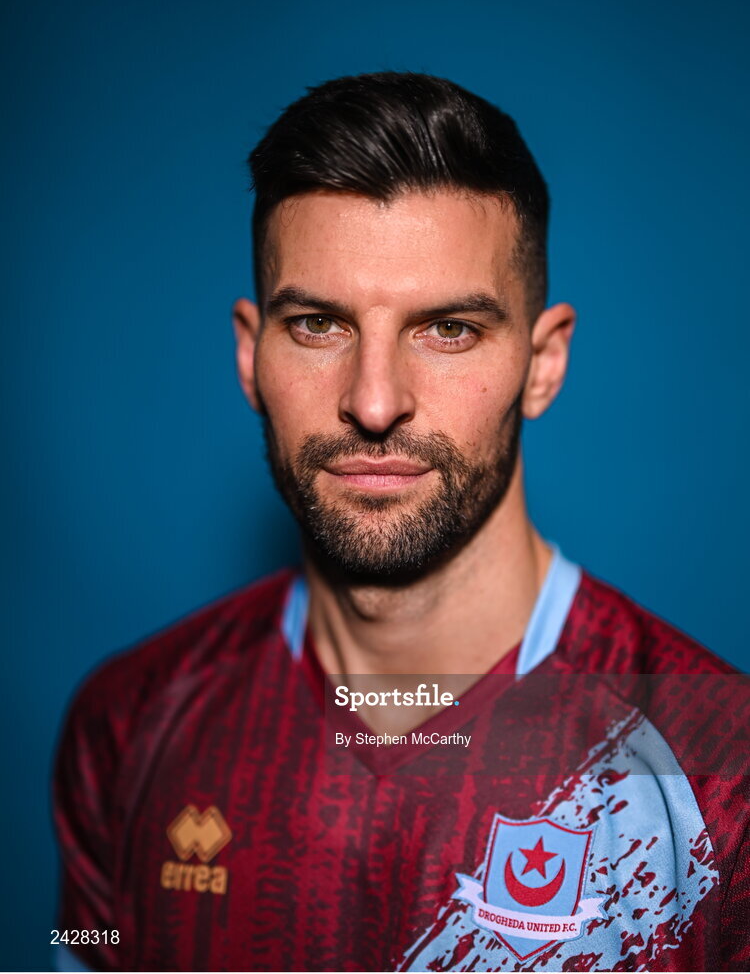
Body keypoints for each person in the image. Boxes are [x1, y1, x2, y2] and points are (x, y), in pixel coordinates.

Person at [53, 72, 750, 973]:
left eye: (449, 329)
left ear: (543, 363)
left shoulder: (722, 774)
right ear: (248, 353)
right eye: (316, 325)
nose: (374, 402)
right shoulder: (126, 726)